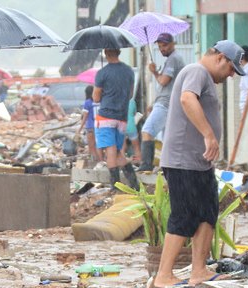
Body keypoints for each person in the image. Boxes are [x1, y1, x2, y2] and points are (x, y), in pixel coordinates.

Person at [148, 41, 244, 288]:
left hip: (198, 163)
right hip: (182, 161)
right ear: (221, 58)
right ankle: (164, 274)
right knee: (184, 215)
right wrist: (209, 135)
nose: (231, 75)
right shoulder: (196, 71)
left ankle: (199, 270)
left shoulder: (204, 78)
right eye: (231, 68)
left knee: (208, 212)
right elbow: (187, 99)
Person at [140, 33, 185, 172]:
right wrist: (154, 102)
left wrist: (154, 72)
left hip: (166, 104)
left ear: (173, 44)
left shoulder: (173, 59)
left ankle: (146, 165)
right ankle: (167, 168)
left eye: (164, 45)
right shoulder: (175, 59)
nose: (162, 49)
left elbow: (164, 81)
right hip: (169, 103)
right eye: (159, 47)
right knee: (167, 140)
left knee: (147, 131)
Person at [93, 48, 136, 189]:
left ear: (105, 53)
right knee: (117, 151)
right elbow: (130, 95)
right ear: (119, 52)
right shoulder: (129, 71)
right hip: (122, 117)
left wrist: (106, 92)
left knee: (110, 151)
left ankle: (115, 186)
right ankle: (134, 184)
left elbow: (96, 97)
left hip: (106, 116)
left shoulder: (102, 73)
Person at [77, 85, 100, 162]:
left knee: (91, 146)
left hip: (90, 127)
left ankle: (95, 161)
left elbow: (85, 117)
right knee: (99, 145)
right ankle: (101, 161)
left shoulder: (87, 102)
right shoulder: (100, 101)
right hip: (100, 126)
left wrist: (79, 129)